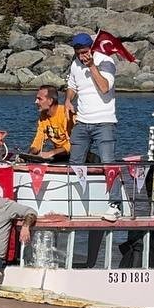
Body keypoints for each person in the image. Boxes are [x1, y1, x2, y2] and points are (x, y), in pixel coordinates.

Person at [66, 32, 120, 221]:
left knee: (108, 162)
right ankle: (74, 201)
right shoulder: (75, 64)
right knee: (75, 163)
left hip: (104, 121)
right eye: (78, 53)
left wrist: (92, 67)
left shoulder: (106, 62)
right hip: (82, 122)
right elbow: (72, 85)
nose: (82, 56)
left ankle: (115, 205)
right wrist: (68, 101)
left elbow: (105, 88)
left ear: (92, 48)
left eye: (85, 52)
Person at [26, 85, 72, 161]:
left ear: (50, 101)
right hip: (59, 154)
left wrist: (52, 153)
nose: (36, 102)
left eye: (39, 99)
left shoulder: (66, 114)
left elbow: (74, 143)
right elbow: (39, 139)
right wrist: (30, 154)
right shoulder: (43, 116)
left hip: (75, 154)